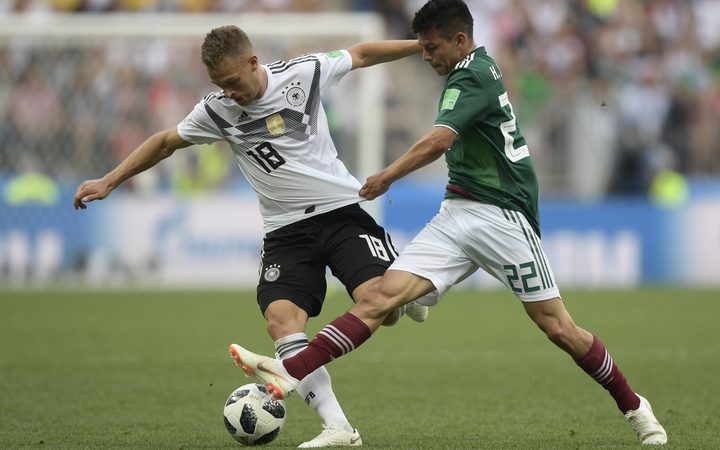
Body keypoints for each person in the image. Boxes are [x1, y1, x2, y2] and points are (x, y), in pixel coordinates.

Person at [227, 1, 668, 446]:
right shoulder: (463, 69)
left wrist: (387, 176)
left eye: (432, 47)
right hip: (457, 210)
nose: (426, 56)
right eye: (422, 47)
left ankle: (634, 406)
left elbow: (439, 140)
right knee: (379, 298)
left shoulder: (474, 73)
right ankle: (288, 376)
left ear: (460, 41)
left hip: (504, 218)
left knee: (559, 329)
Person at [73, 25, 430, 448]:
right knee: (281, 320)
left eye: (233, 82)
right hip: (284, 231)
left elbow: (363, 53)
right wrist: (111, 180)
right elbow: (166, 141)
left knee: (383, 309)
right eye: (219, 86)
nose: (229, 93)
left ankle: (404, 296)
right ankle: (338, 428)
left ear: (252, 62)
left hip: (340, 214)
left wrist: (422, 45)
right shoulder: (217, 109)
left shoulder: (303, 73)